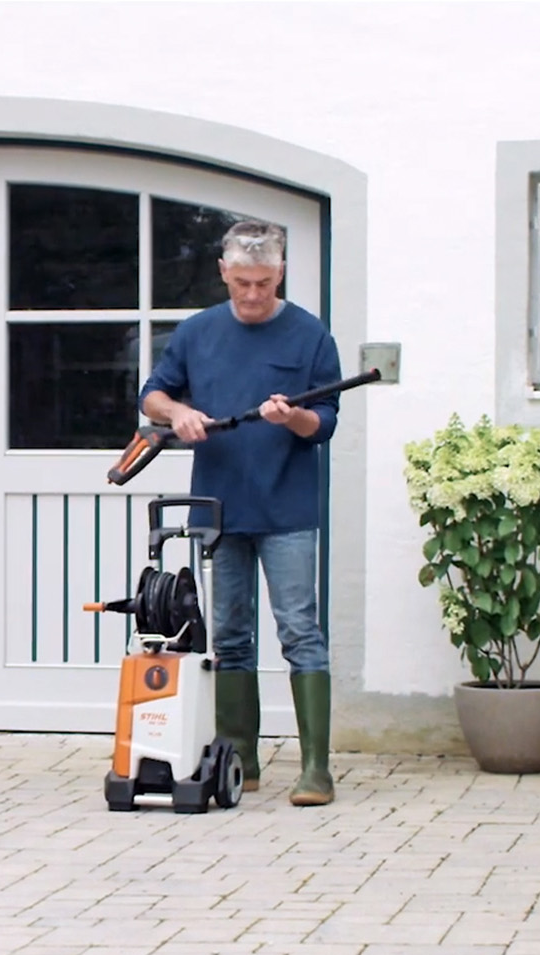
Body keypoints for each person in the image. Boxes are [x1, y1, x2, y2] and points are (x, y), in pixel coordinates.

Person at [137, 219, 343, 807]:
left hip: (288, 509)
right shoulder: (198, 332)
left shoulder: (309, 335)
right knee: (229, 636)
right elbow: (151, 393)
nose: (252, 295)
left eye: (264, 282)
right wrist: (177, 413)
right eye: (242, 283)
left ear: (280, 274)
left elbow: (324, 422)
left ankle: (315, 771)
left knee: (300, 632)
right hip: (220, 508)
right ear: (223, 273)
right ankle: (240, 760)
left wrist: (293, 418)